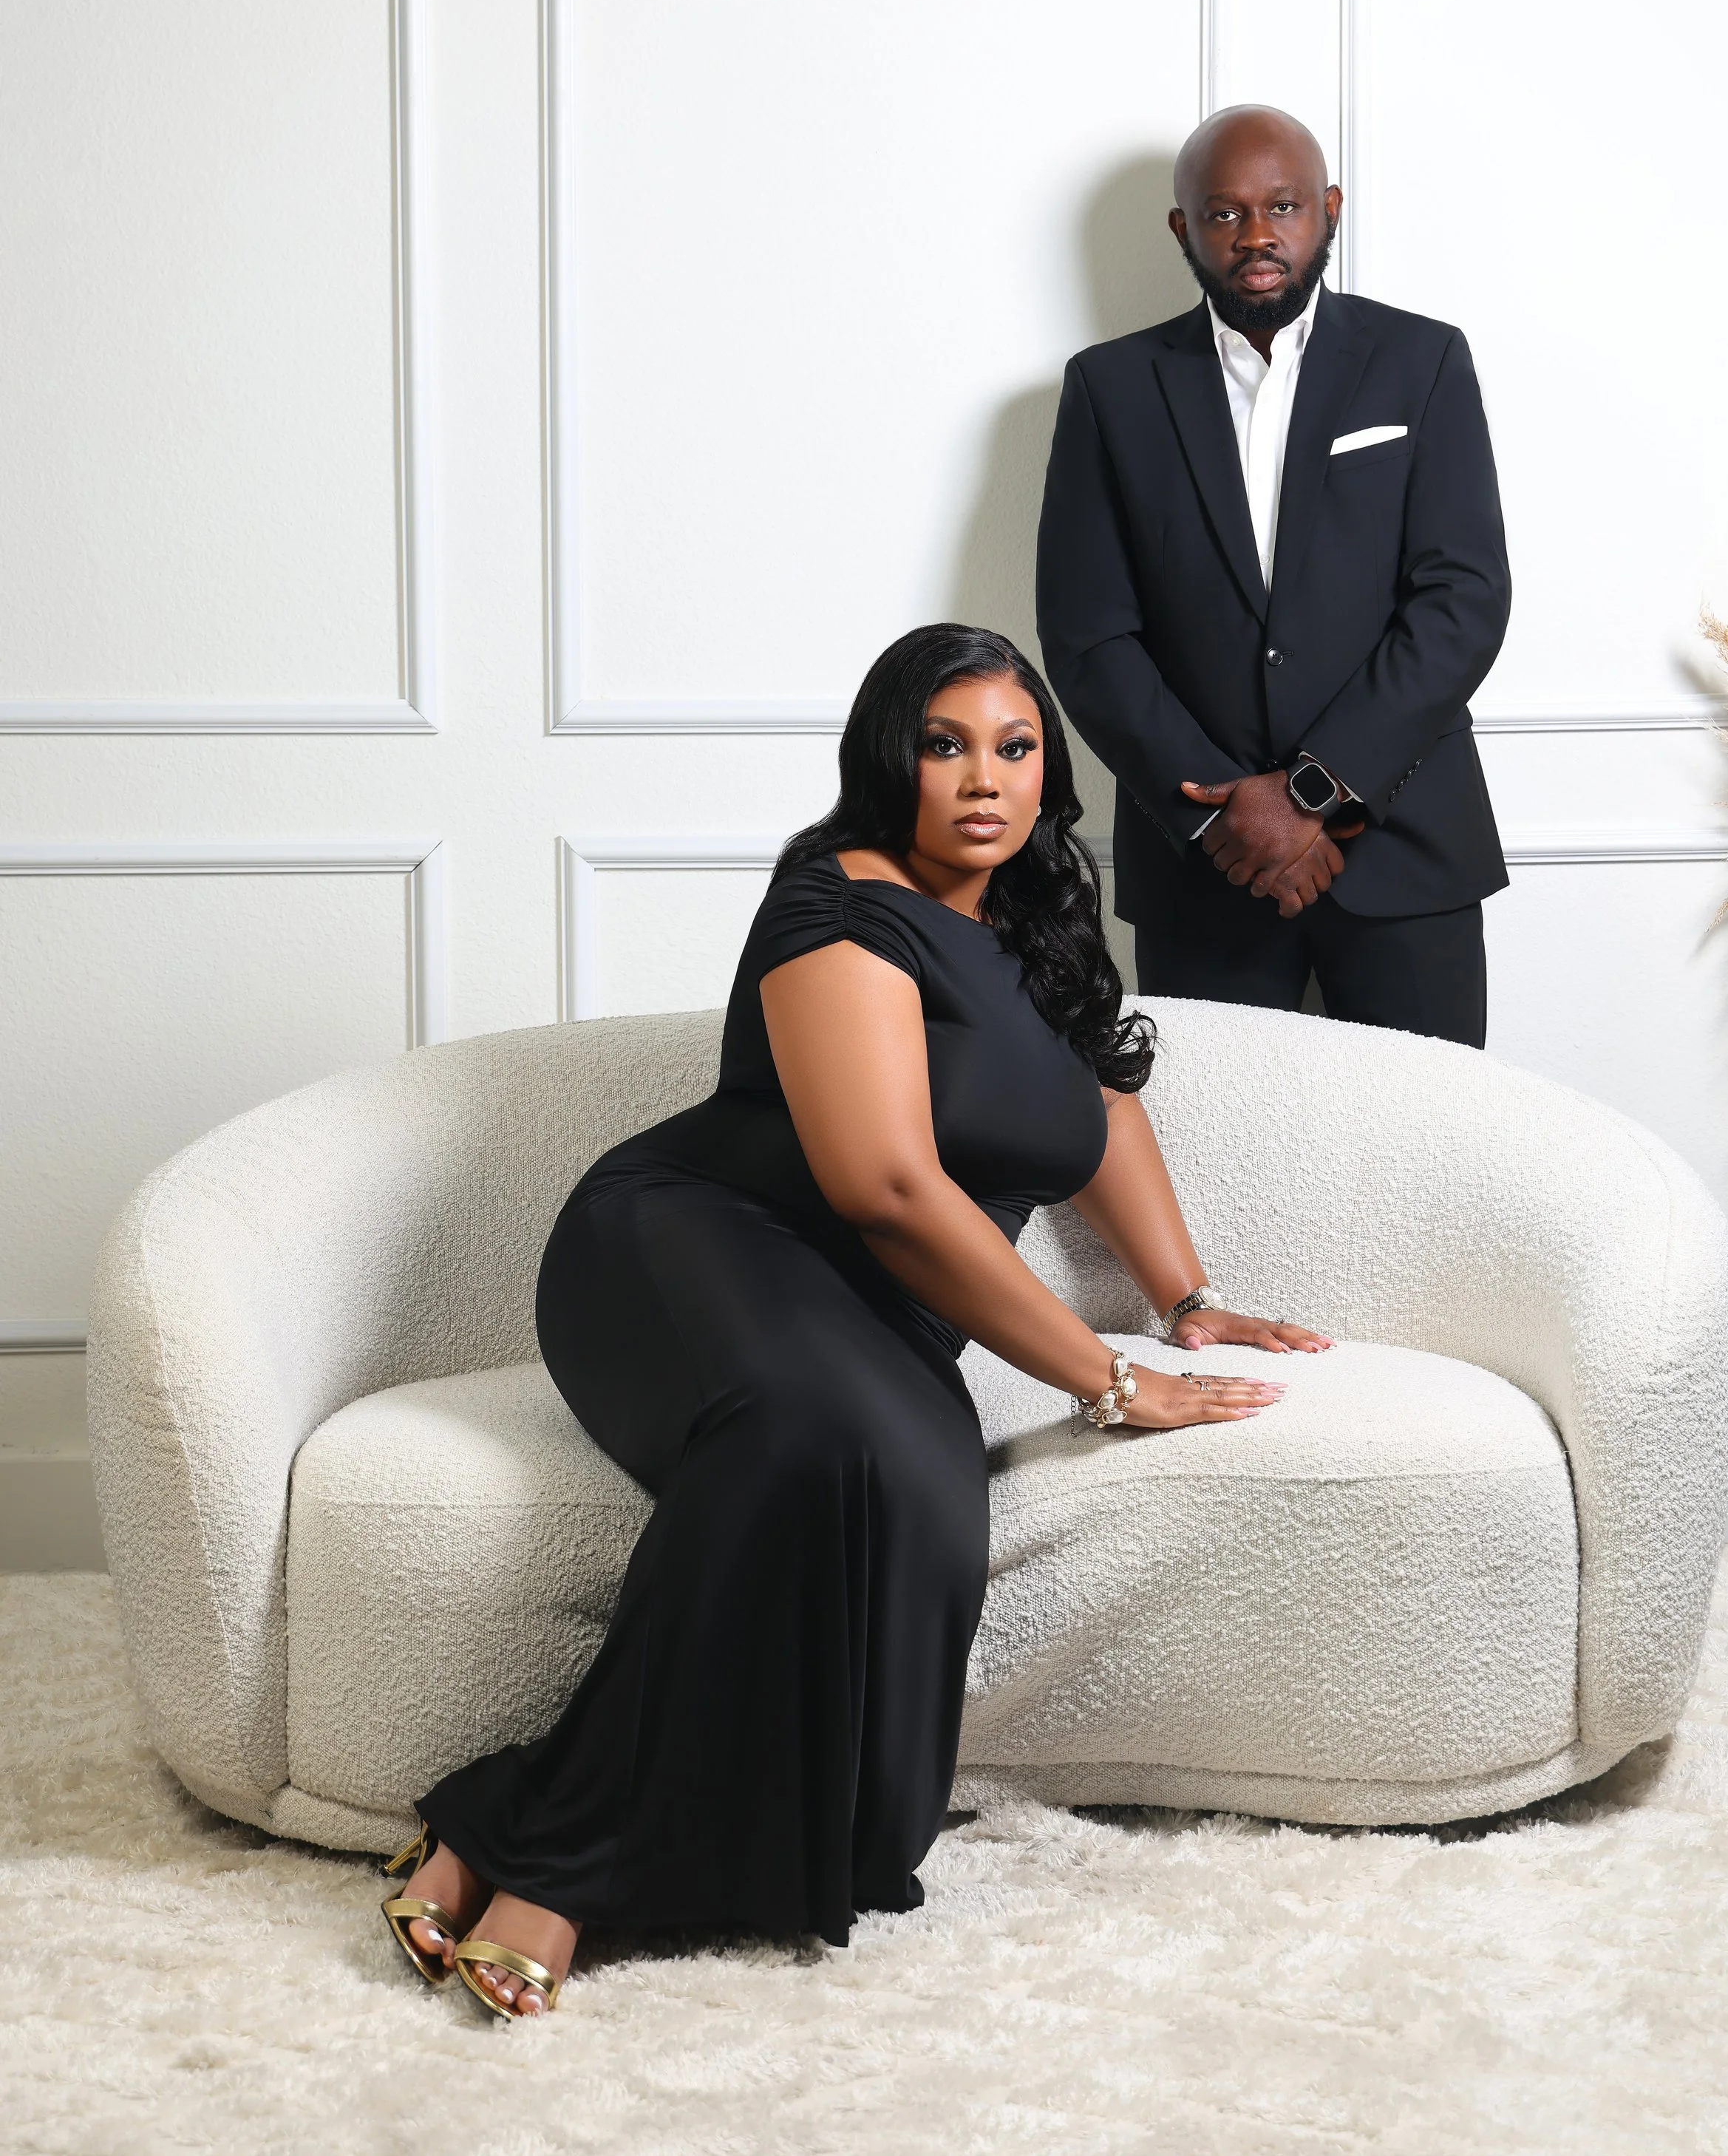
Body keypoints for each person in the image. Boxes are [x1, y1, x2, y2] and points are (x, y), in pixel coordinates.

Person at [381, 623, 1329, 2018]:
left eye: (1015, 748)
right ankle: (559, 1866)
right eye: (947, 745)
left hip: (871, 1320)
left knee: (918, 1486)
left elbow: (1101, 1108)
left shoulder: (1039, 926)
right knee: (809, 1441)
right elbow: (883, 1184)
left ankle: (488, 1824)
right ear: (891, 755)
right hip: (688, 1246)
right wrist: (1103, 1378)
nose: (983, 780)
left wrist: (1186, 1300)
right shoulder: (837, 896)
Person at [1036, 104, 1511, 1046]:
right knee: (1217, 1168)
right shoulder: (1111, 389)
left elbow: (1462, 599)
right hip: (1206, 867)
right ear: (1184, 228)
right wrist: (1225, 819)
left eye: (1283, 205)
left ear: (1329, 209)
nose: (1257, 235)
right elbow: (1089, 635)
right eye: (1223, 214)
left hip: (1406, 851)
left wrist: (1309, 793)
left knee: (1433, 1156)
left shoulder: (1422, 362)